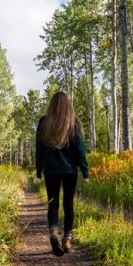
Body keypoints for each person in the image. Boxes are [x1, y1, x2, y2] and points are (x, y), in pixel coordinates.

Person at [36, 92, 89, 256]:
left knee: (53, 203)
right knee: (68, 203)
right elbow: (79, 151)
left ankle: (53, 232)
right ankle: (66, 239)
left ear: (52, 105)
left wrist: (39, 169)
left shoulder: (44, 122)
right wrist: (85, 171)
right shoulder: (74, 123)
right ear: (68, 105)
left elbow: (39, 150)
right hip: (69, 171)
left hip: (51, 171)